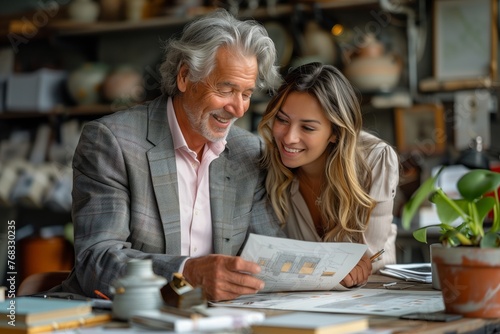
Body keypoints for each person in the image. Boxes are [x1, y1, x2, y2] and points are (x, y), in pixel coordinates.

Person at [59, 9, 285, 302]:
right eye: (226, 89)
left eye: (246, 94)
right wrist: (187, 272)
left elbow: (268, 255)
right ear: (185, 77)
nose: (238, 109)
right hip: (126, 316)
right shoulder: (112, 141)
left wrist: (334, 269)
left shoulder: (249, 151)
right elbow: (96, 262)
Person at [258, 62, 399, 286]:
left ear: (335, 132)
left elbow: (364, 261)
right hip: (303, 294)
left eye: (307, 127)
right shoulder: (267, 163)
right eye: (282, 120)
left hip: (375, 288)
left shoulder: (375, 159)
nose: (288, 138)